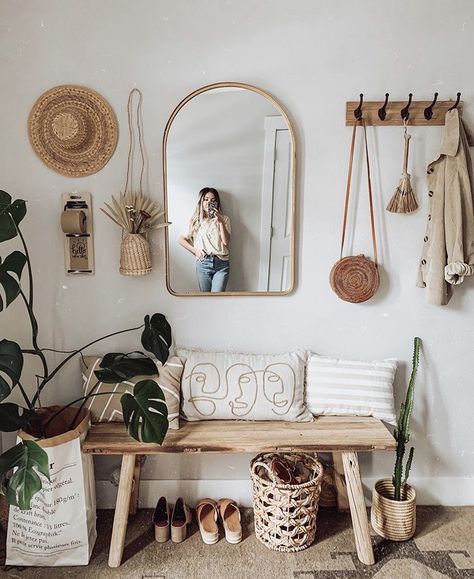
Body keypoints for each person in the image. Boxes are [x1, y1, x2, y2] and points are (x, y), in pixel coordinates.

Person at [178, 187, 231, 292]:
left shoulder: (224, 219)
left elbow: (226, 242)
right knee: (205, 299)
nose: (209, 202)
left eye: (213, 200)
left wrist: (220, 222)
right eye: (206, 199)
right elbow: (181, 239)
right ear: (201, 202)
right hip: (203, 263)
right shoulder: (196, 220)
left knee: (217, 299)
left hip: (221, 263)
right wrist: (195, 251)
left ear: (217, 203)